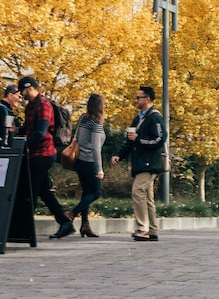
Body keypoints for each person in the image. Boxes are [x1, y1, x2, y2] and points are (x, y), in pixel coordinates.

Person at [17, 76, 75, 239]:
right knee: (44, 192)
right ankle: (65, 223)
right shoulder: (30, 107)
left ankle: (24, 230)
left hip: (43, 154)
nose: (21, 95)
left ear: (29, 88)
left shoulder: (43, 105)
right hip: (35, 154)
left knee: (29, 191)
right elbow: (30, 128)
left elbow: (41, 131)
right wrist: (17, 130)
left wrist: (24, 145)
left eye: (22, 91)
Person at [112, 86, 165, 241]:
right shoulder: (138, 118)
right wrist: (119, 155)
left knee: (138, 191)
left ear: (147, 99)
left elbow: (160, 139)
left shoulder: (155, 118)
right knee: (147, 197)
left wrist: (139, 140)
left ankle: (142, 228)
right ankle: (153, 230)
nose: (136, 101)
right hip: (140, 163)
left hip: (149, 163)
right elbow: (129, 139)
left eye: (139, 98)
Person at [65, 93, 107, 238]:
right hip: (90, 162)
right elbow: (96, 147)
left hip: (80, 161)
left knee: (86, 192)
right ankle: (72, 213)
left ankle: (85, 225)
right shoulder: (96, 123)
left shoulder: (84, 118)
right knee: (96, 193)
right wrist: (100, 168)